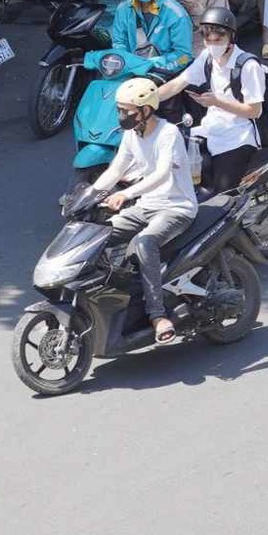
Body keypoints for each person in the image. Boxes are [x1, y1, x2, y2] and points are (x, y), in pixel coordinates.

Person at [89, 77, 197, 343]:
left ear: (146, 110)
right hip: (146, 205)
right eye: (120, 110)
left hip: (176, 207)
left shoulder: (168, 133)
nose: (122, 116)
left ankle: (158, 316)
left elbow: (161, 175)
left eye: (127, 111)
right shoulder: (131, 134)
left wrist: (125, 194)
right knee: (96, 235)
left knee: (144, 243)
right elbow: (116, 169)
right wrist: (90, 196)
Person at [155, 8, 266, 193]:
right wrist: (146, 99)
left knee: (223, 196)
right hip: (210, 129)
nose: (212, 45)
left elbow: (255, 111)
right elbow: (178, 84)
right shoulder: (207, 57)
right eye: (208, 41)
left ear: (231, 38)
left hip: (237, 138)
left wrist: (217, 101)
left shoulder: (248, 66)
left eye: (218, 40)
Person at [109, 0, 195, 73]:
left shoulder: (177, 15)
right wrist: (126, 62)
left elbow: (184, 57)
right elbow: (119, 43)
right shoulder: (123, 10)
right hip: (129, 71)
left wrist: (154, 65)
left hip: (162, 74)